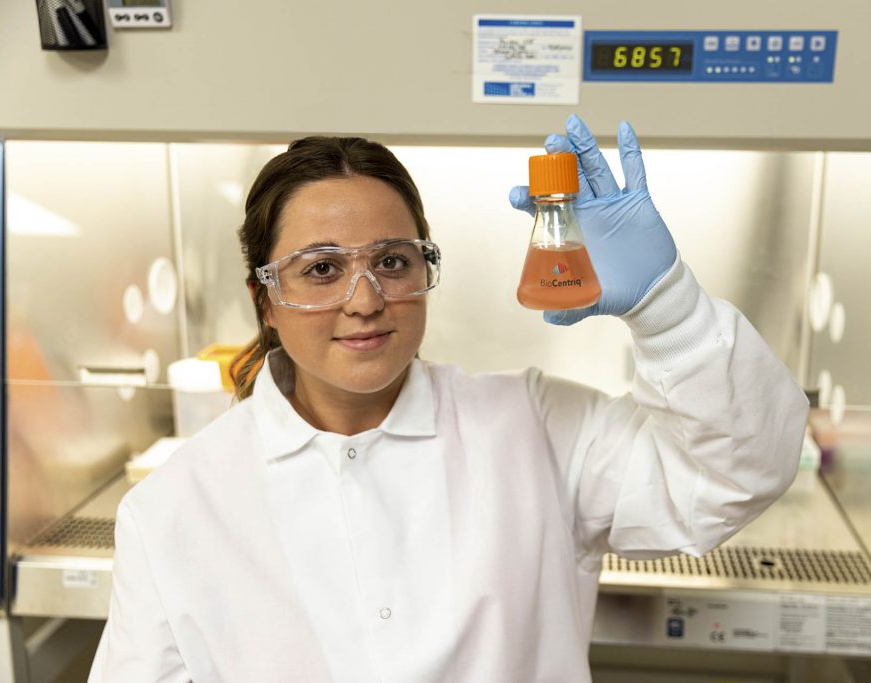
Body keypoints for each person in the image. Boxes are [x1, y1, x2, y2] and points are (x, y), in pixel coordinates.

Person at [89, 115, 808, 682]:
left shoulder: (537, 429)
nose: (365, 300)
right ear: (265, 300)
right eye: (322, 269)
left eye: (392, 261)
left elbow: (734, 475)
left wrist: (667, 306)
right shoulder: (173, 510)